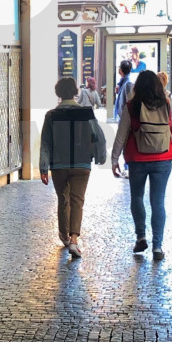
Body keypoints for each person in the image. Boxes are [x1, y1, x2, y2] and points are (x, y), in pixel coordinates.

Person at [111, 69, 172, 260]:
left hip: (137, 159)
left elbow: (121, 134)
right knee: (158, 201)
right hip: (163, 158)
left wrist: (114, 159)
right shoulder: (167, 104)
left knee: (137, 197)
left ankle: (141, 236)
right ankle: (157, 246)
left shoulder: (132, 106)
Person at [39, 77, 107, 258]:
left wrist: (44, 167)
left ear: (58, 93)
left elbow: (45, 143)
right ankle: (74, 240)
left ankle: (64, 236)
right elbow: (98, 136)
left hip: (59, 164)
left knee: (63, 199)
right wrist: (100, 158)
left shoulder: (51, 115)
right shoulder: (85, 113)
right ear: (76, 92)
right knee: (78, 200)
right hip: (82, 164)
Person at [112, 60, 133, 125]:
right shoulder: (123, 82)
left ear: (121, 69)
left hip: (125, 119)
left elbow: (129, 102)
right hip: (122, 117)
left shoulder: (128, 83)